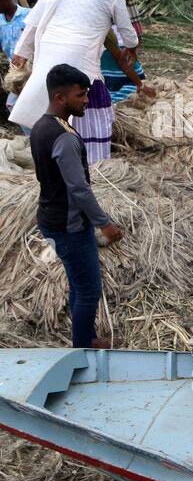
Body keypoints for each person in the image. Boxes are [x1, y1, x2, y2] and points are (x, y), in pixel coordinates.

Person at [9, 0, 138, 162]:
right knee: (91, 104)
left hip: (49, 55)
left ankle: (54, 155)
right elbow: (129, 34)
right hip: (81, 60)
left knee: (50, 102)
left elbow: (34, 21)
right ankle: (94, 161)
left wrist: (21, 52)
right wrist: (132, 49)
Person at [32, 64, 124, 349]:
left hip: (50, 217)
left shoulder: (41, 126)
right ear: (60, 98)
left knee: (78, 283)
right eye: (81, 95)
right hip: (69, 226)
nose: (86, 100)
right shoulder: (64, 137)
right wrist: (103, 223)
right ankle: (84, 345)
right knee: (88, 290)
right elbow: (79, 189)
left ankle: (84, 337)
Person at [0, 0, 31, 117]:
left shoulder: (28, 15)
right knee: (13, 105)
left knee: (27, 104)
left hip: (31, 69)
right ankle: (33, 135)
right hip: (16, 73)